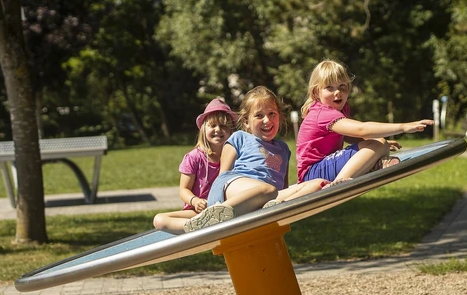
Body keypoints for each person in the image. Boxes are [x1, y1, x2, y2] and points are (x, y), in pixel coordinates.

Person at [183, 86, 325, 232]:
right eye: (259, 115)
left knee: (319, 184)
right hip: (234, 190)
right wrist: (216, 202)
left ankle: (275, 208)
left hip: (269, 197)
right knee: (267, 189)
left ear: (280, 116)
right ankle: (216, 214)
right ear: (246, 122)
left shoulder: (283, 149)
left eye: (272, 114)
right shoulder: (239, 138)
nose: (267, 120)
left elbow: (283, 185)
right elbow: (222, 177)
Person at [296, 59, 434, 184]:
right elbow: (362, 129)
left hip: (321, 168)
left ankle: (375, 165)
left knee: (380, 143)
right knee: (378, 144)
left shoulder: (340, 109)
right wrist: (403, 127)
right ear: (316, 92)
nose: (337, 92)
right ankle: (338, 184)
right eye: (329, 87)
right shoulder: (322, 113)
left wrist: (376, 143)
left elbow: (347, 135)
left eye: (342, 86)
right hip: (312, 174)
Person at [153, 98, 238, 233]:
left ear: (231, 131)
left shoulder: (236, 156)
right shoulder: (194, 157)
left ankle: (205, 227)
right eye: (212, 125)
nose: (218, 129)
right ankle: (199, 227)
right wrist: (195, 201)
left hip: (224, 210)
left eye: (223, 126)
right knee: (159, 219)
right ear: (204, 129)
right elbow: (184, 190)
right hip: (197, 212)